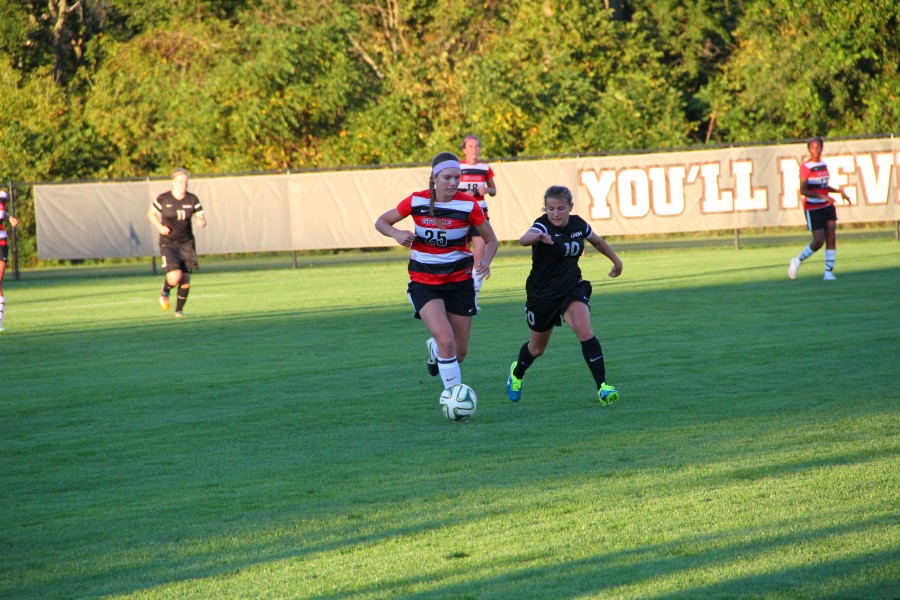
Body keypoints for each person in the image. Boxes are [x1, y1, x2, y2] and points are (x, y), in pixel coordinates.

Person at [375, 151, 499, 390]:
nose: (453, 183)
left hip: (460, 283)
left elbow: (491, 239)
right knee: (446, 339)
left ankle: (435, 349)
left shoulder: (468, 204)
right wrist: (397, 233)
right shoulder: (416, 201)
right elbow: (382, 221)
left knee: (459, 352)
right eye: (447, 178)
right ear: (434, 177)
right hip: (424, 282)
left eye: (457, 177)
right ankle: (454, 398)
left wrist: (485, 260)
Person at [506, 185, 623, 405]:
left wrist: (617, 262)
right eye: (551, 208)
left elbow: (597, 241)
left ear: (570, 207)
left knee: (585, 330)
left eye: (560, 208)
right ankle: (517, 372)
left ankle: (603, 388)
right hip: (542, 295)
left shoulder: (578, 224)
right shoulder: (542, 224)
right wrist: (539, 236)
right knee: (537, 348)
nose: (555, 213)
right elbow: (524, 239)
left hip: (571, 288)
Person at [788, 136, 851, 281]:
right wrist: (824, 197)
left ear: (822, 148)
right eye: (812, 147)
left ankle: (828, 273)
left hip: (827, 206)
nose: (815, 150)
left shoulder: (823, 164)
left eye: (818, 147)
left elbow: (823, 187)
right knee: (818, 241)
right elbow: (804, 190)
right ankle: (797, 260)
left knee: (831, 237)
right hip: (813, 208)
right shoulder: (806, 167)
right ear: (809, 150)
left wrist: (837, 192)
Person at [147, 168, 207, 317]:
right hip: (169, 243)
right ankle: (165, 290)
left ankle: (179, 310)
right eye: (180, 181)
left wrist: (201, 221)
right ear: (173, 182)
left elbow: (201, 217)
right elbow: (151, 213)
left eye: (186, 182)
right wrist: (160, 227)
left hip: (186, 243)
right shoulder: (164, 198)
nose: (183, 184)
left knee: (185, 280)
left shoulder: (192, 199)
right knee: (175, 276)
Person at [458, 135, 497, 308]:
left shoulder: (485, 167)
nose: (475, 149)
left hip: (480, 213)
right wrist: (462, 194)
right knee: (457, 251)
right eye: (471, 146)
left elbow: (494, 190)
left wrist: (486, 189)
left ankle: (473, 295)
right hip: (460, 214)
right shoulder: (457, 167)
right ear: (464, 149)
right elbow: (446, 189)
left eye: (477, 146)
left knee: (480, 251)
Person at [0, 190, 19, 334]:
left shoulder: (2, 208)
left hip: (1, 243)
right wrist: (8, 218)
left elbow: (1, 213)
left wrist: (9, 218)